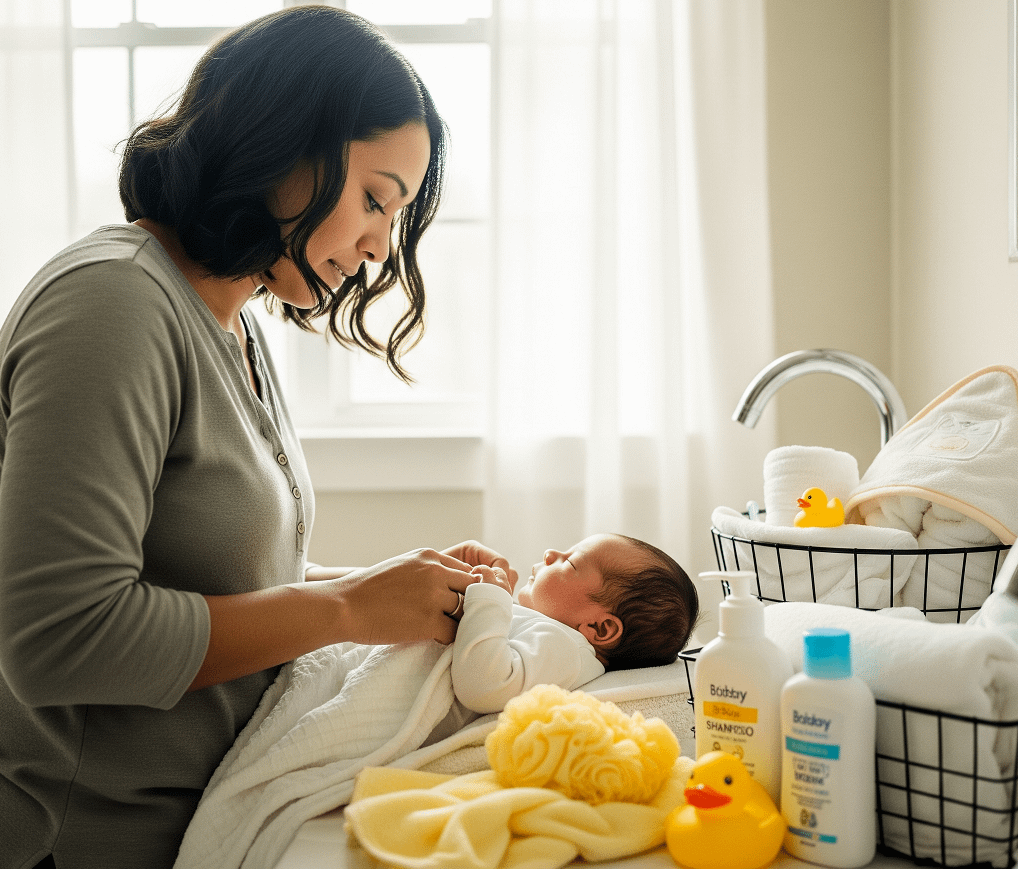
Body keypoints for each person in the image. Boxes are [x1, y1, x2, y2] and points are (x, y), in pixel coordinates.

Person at [0, 7, 515, 869]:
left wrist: (399, 587)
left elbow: (220, 579)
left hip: (213, 821)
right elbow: (61, 635)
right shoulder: (113, 304)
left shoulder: (235, 319)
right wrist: (349, 609)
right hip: (83, 840)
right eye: (375, 199)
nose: (383, 245)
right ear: (282, 144)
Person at [430, 533, 698, 736]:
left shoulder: (567, 647)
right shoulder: (549, 632)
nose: (550, 553)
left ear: (599, 628)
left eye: (569, 563)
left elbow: (485, 686)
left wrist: (490, 600)